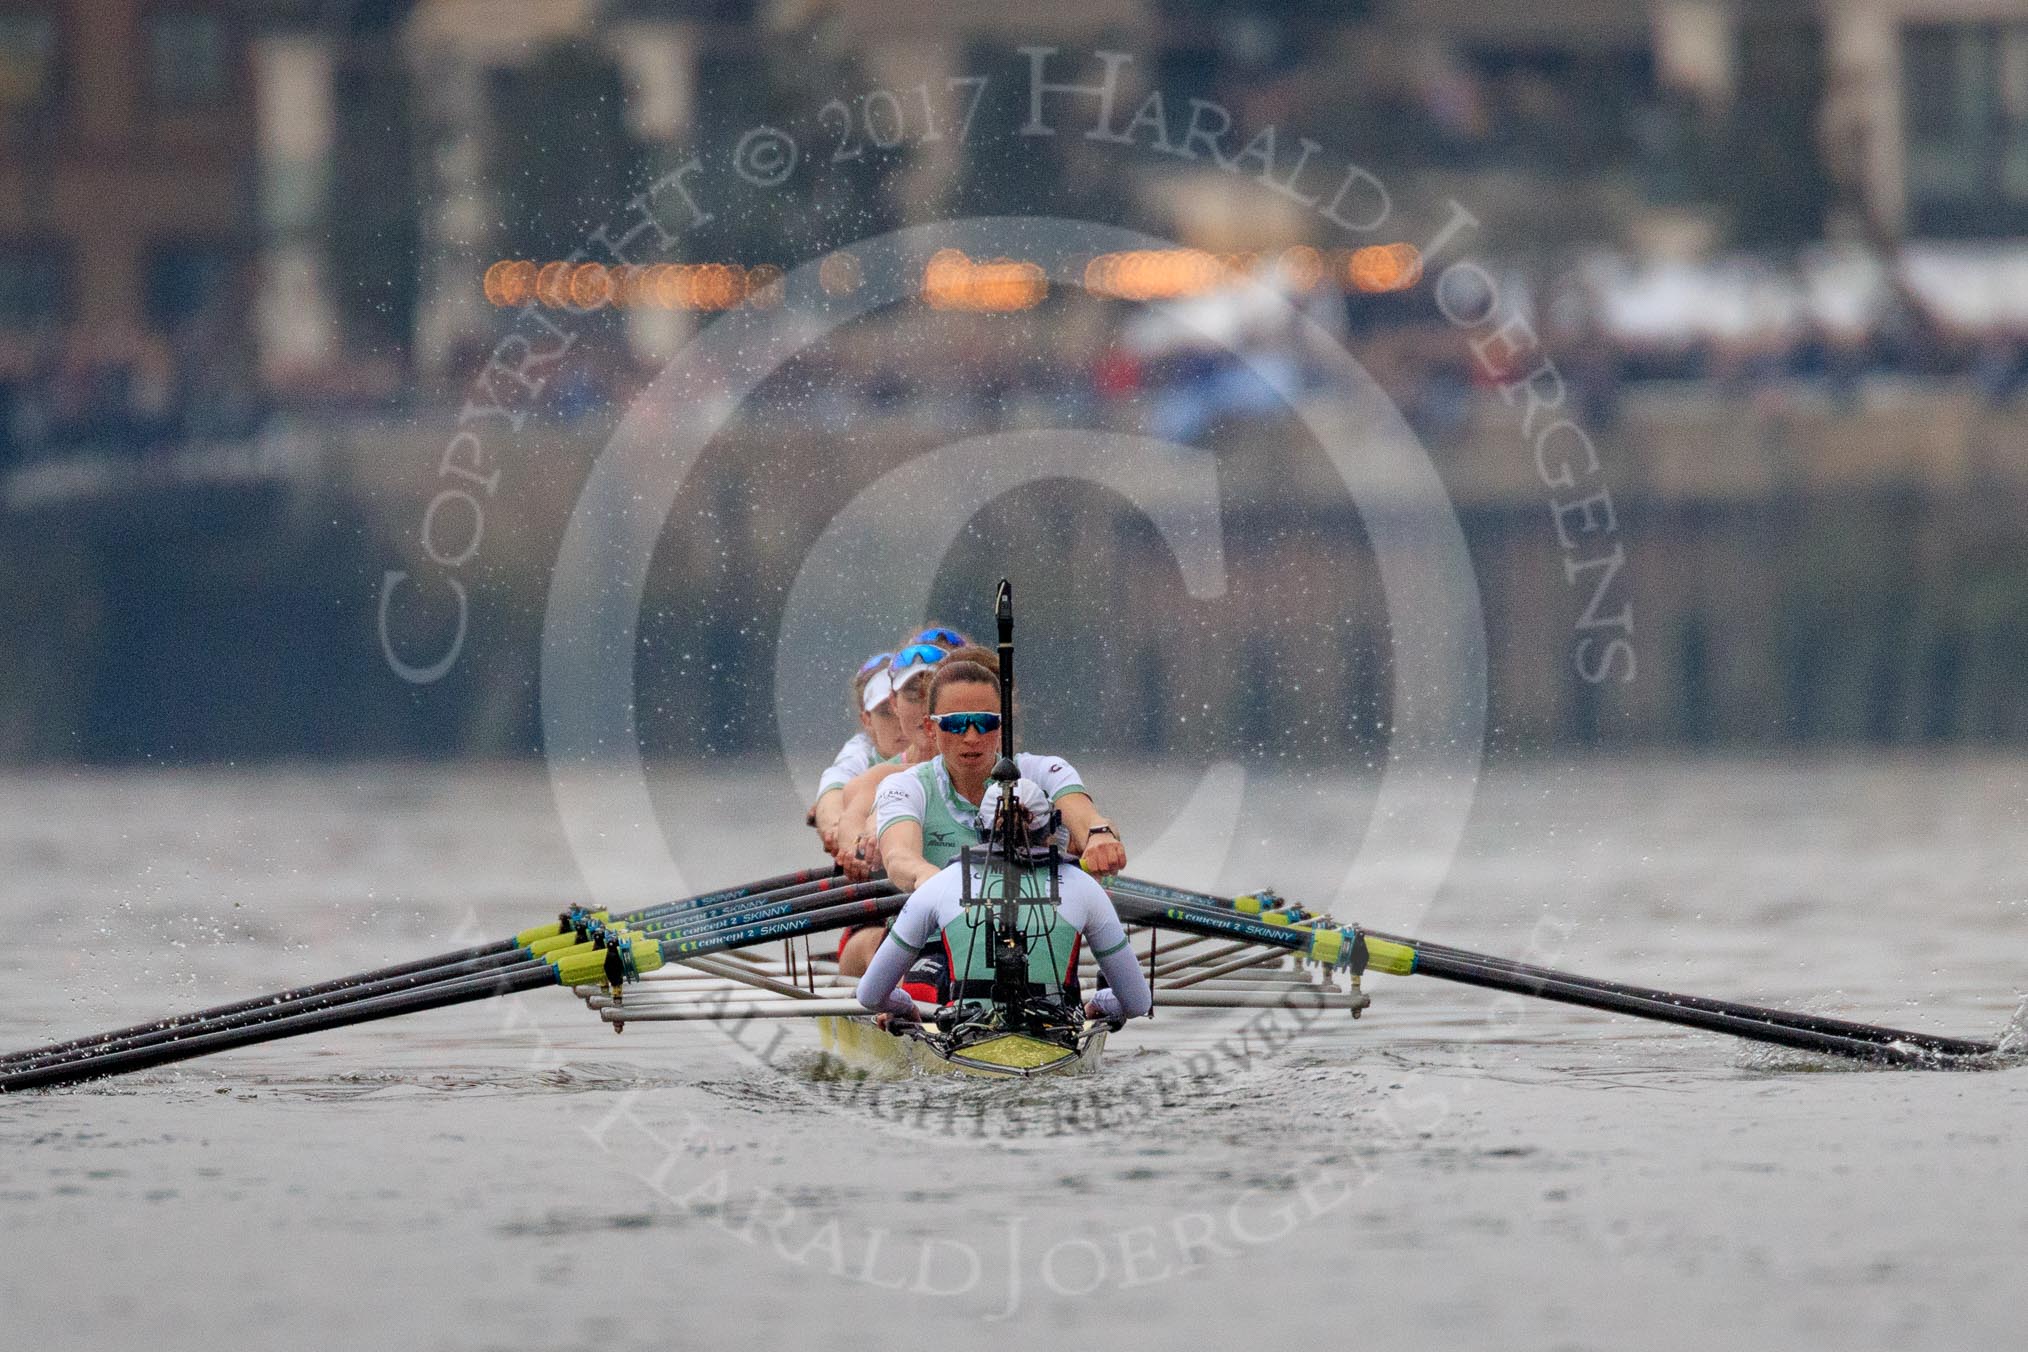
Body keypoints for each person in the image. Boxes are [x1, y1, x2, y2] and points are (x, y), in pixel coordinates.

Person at [853, 659, 1147, 1025]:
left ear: (1002, 726)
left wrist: (1100, 836)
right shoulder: (906, 785)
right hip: (930, 945)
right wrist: (929, 879)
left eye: (986, 723)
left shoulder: (1043, 772)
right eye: (957, 724)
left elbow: (1085, 817)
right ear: (931, 728)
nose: (972, 736)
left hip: (1035, 938)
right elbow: (899, 856)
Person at [809, 652, 905, 853]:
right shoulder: (859, 750)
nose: (900, 722)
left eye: (904, 706)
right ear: (867, 721)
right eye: (886, 712)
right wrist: (837, 829)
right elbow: (833, 788)